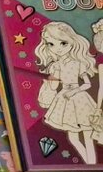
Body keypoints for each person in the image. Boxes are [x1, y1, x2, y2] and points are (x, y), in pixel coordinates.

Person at [35, 21, 99, 164]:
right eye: (51, 44)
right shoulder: (55, 66)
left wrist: (74, 91)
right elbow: (54, 85)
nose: (57, 48)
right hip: (64, 100)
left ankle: (92, 164)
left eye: (63, 43)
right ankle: (89, 164)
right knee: (73, 138)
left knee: (88, 137)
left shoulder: (78, 63)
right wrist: (49, 83)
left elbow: (87, 84)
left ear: (71, 42)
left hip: (80, 100)